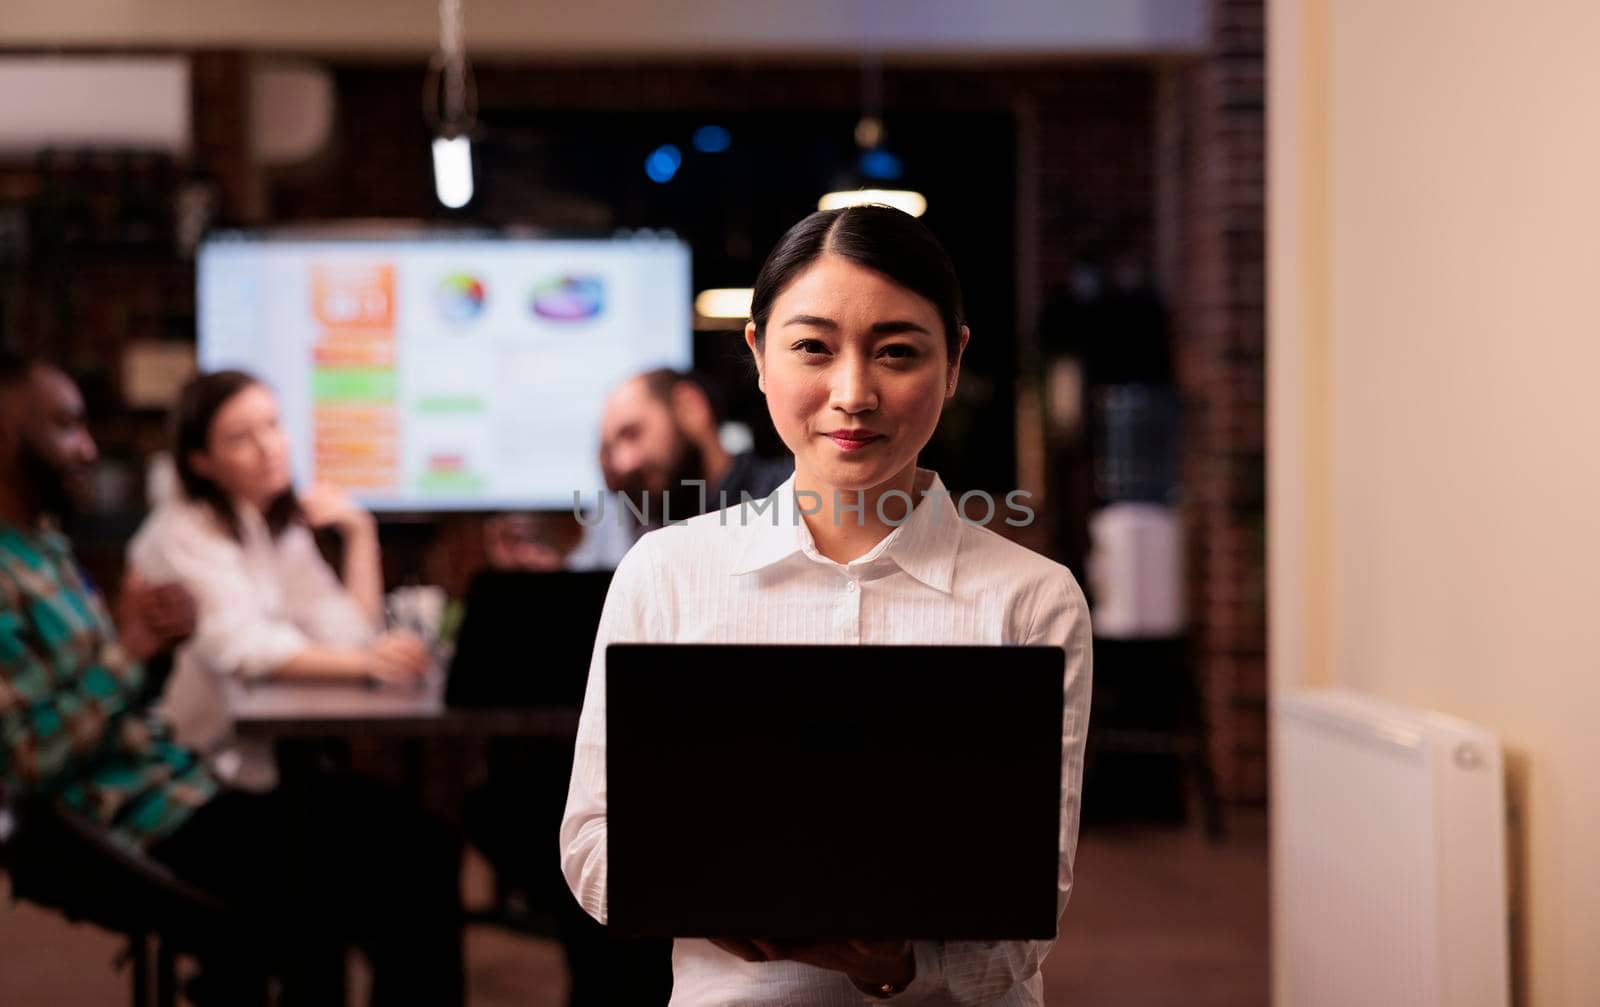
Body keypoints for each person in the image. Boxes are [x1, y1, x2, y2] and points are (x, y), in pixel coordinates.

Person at [560, 206, 1093, 1005]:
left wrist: (899, 964)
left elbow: (1025, 917)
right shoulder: (665, 572)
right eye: (813, 346)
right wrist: (719, 907)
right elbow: (592, 845)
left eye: (898, 353)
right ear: (759, 356)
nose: (853, 393)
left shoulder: (1031, 599)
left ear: (954, 364)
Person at [0, 353, 463, 1005]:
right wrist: (133, 651)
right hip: (135, 814)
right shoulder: (122, 544)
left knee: (413, 846)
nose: (90, 447)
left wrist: (143, 652)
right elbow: (22, 761)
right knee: (396, 864)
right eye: (67, 427)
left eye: (274, 426)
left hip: (183, 781)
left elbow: (342, 629)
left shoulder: (45, 545)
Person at [128, 370, 430, 789]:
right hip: (193, 774)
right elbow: (244, 650)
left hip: (261, 763)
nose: (269, 448)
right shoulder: (180, 532)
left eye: (273, 425)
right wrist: (367, 662)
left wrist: (360, 532)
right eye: (239, 438)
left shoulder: (270, 523)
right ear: (201, 462)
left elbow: (349, 631)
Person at [491, 368, 793, 572]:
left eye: (632, 433)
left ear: (691, 407)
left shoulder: (793, 494)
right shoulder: (640, 545)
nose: (623, 463)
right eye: (609, 451)